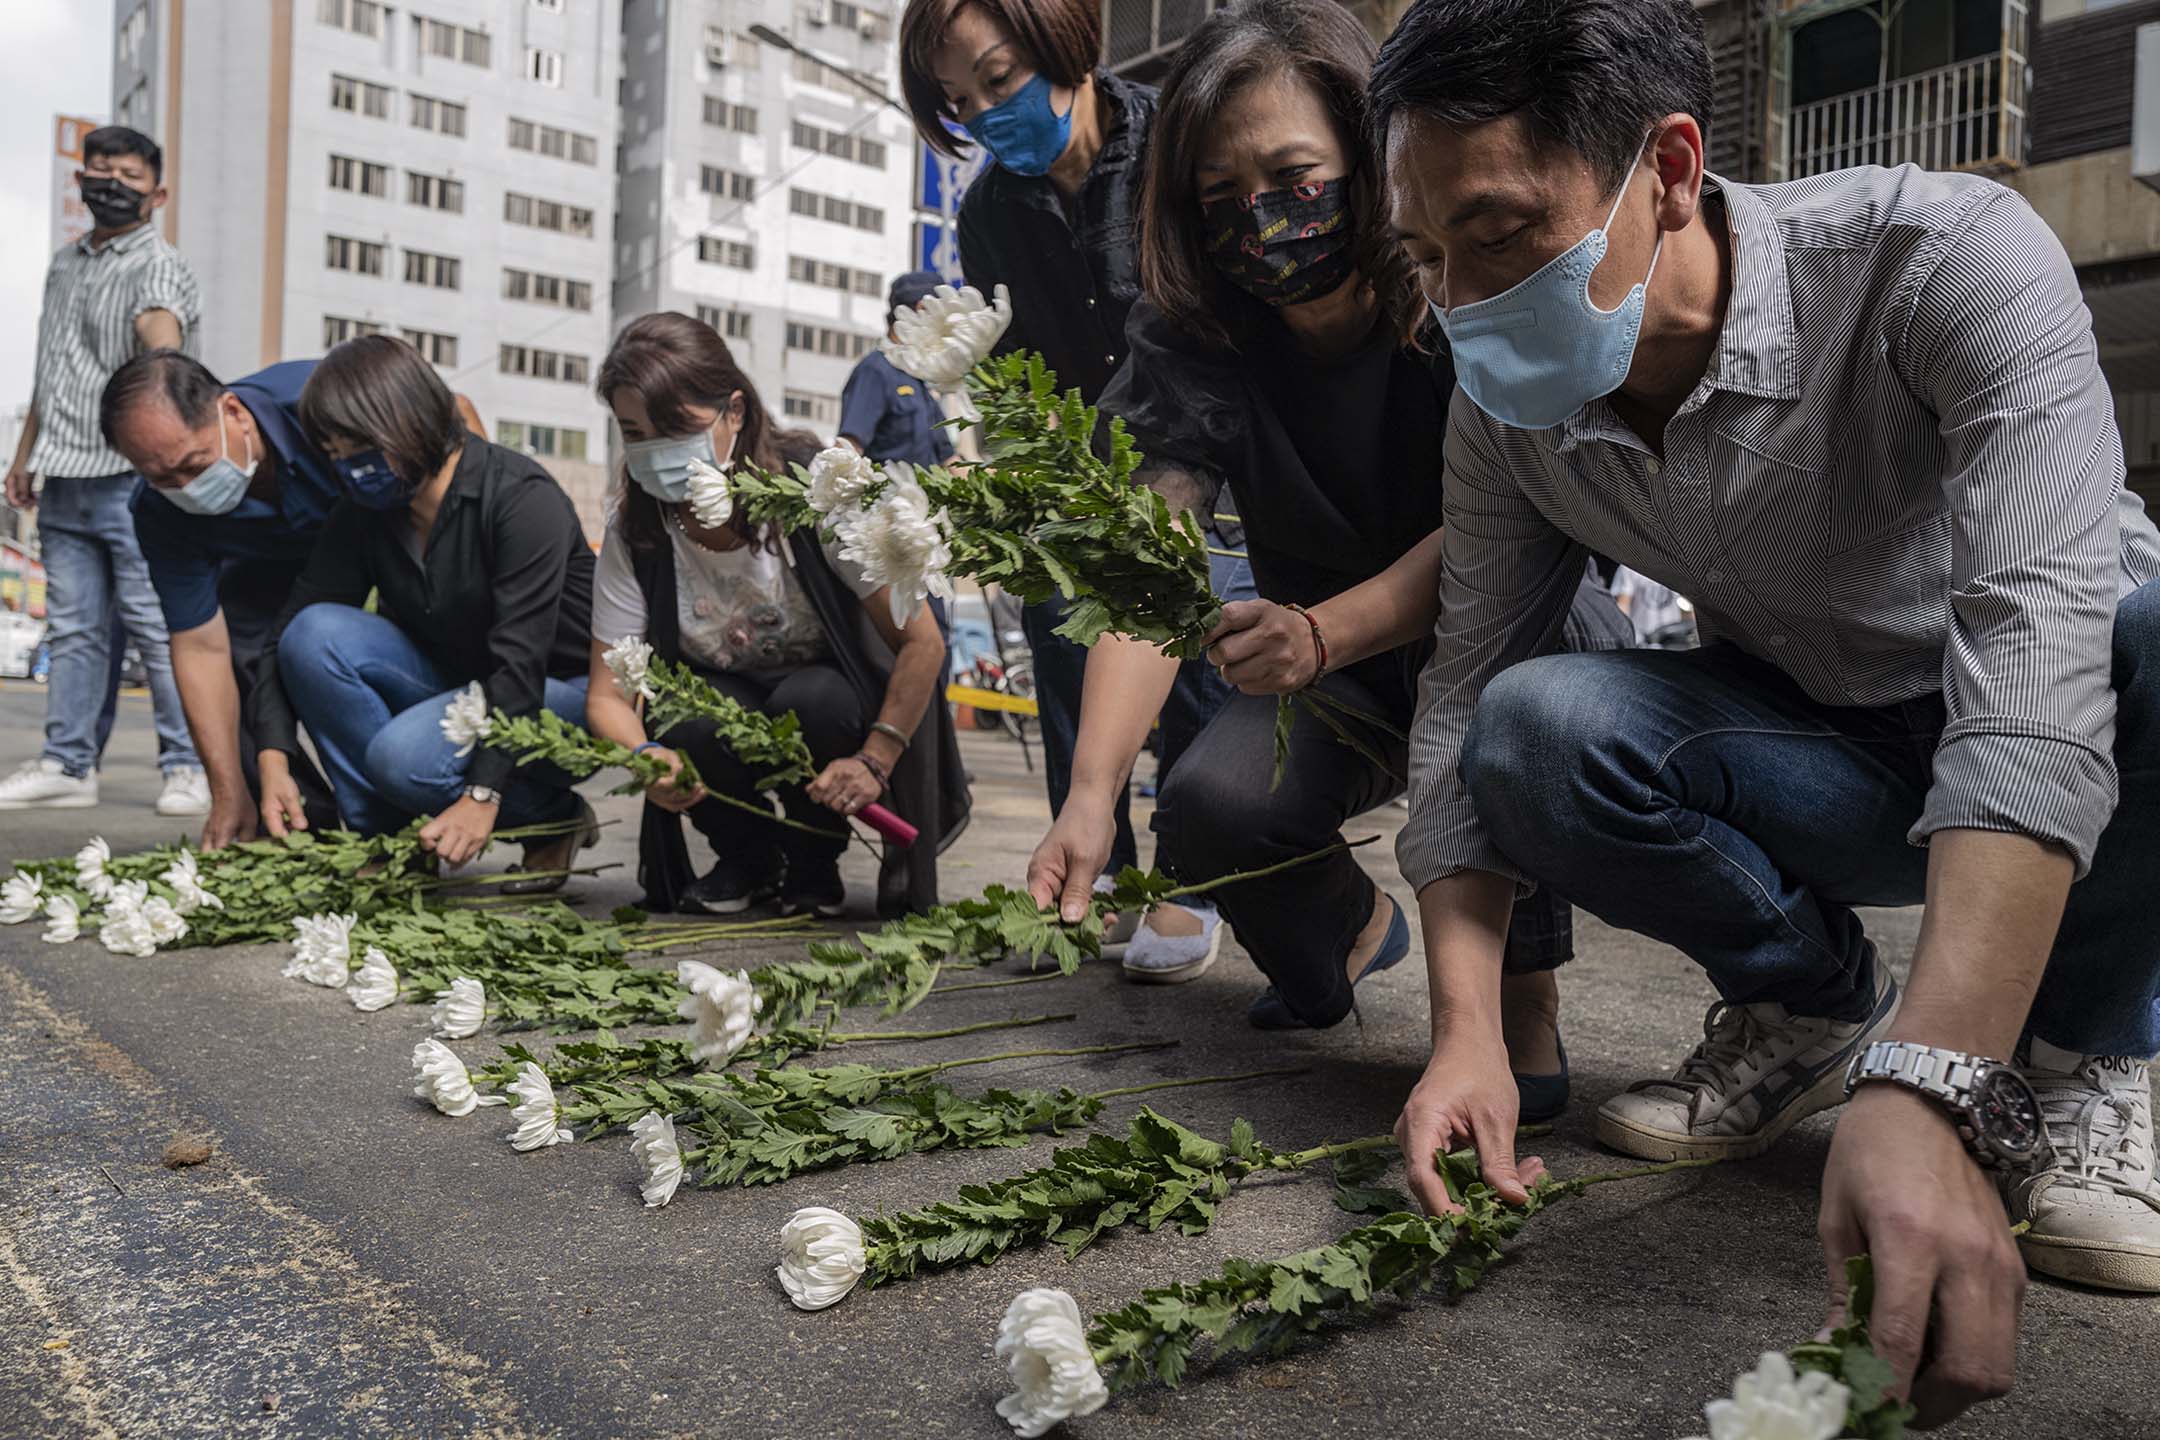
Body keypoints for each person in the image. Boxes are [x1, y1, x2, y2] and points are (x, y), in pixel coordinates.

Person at [1370, 0, 2160, 1420]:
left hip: (2087, 725)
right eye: (1425, 258)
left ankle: (2085, 1053)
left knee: (2147, 627)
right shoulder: (1504, 407)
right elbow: (1466, 686)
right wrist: (1465, 1032)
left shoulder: (1944, 259)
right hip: (1822, 750)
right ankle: (1807, 1008)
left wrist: (1939, 1078)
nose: (1460, 304)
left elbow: (2036, 671)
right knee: (1533, 729)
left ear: (1668, 169)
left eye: (1495, 239)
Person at [1026, 0, 1626, 1075]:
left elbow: (1518, 528)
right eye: (1222, 197)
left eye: (1295, 178)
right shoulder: (1199, 335)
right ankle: (1346, 935)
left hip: (1501, 624)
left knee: (1524, 710)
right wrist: (1089, 795)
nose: (1263, 217)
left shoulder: (1463, 290)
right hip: (1329, 669)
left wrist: (1322, 631)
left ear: (1369, 149)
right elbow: (1151, 572)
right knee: (1210, 809)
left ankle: (1520, 1003)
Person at [900, 0, 1242, 968]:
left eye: (999, 80)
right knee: (1058, 631)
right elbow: (1011, 370)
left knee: (1192, 644)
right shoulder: (987, 218)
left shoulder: (1172, 153)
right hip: (1075, 475)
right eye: (962, 103)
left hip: (1196, 462)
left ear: (1063, 45)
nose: (987, 114)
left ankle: (1187, 883)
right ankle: (1095, 872)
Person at [585, 313, 968, 918]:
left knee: (814, 700)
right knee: (685, 715)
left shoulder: (813, 494)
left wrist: (876, 756)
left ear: (734, 412)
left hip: (829, 703)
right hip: (722, 695)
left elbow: (922, 643)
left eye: (674, 429)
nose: (654, 451)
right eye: (635, 434)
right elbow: (607, 696)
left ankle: (814, 860)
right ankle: (747, 856)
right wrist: (643, 756)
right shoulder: (638, 528)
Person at [248, 337, 598, 885]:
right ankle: (392, 845)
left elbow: (520, 664)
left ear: (409, 422)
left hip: (561, 690)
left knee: (404, 760)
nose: (349, 469)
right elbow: (286, 630)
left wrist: (484, 793)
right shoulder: (366, 512)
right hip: (463, 686)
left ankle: (550, 817)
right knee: (312, 635)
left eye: (359, 449)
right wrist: (273, 756)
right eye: (335, 455)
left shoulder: (520, 498)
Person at [0, 125, 205, 816]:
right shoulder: (65, 262)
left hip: (131, 477)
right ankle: (68, 763)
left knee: (156, 623)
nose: (109, 181)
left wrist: (168, 443)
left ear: (158, 193)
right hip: (63, 474)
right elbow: (49, 368)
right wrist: (26, 455)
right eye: (98, 168)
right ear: (80, 179)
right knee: (75, 627)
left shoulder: (157, 265)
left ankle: (187, 765)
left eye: (127, 173)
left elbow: (162, 349)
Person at [101, 350, 344, 846]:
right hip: (267, 565)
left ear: (233, 412)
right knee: (237, 648)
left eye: (194, 465)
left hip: (375, 540)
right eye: (164, 478)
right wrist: (226, 789)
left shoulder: (324, 399)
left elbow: (453, 416)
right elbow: (197, 645)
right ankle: (296, 830)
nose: (187, 489)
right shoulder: (158, 511)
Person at [838, 271, 959, 472]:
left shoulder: (918, 378)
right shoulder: (876, 371)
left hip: (924, 501)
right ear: (922, 309)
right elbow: (848, 449)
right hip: (888, 499)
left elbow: (950, 463)